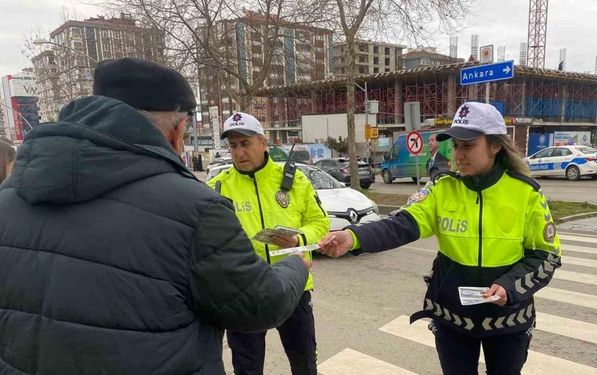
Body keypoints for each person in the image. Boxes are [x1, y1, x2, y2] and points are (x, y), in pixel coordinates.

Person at [0, 58, 310, 375]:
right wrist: (297, 264)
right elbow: (259, 304)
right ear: (177, 130)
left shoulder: (7, 199)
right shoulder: (195, 207)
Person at [318, 102, 562, 375]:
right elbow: (401, 225)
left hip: (509, 319)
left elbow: (547, 255)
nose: (459, 154)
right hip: (452, 319)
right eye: (456, 146)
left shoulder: (525, 193)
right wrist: (353, 237)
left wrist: (509, 286)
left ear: (495, 146)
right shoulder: (442, 189)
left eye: (468, 146)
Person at [207, 112, 330, 375]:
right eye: (233, 145)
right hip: (244, 291)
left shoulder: (294, 180)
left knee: (304, 363)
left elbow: (320, 223)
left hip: (293, 287)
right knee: (247, 368)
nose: (239, 152)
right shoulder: (218, 187)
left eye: (245, 143)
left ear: (264, 143)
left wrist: (299, 239)